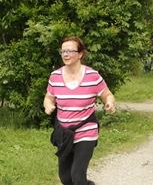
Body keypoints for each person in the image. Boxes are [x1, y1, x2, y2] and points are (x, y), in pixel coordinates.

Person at [43, 36, 116, 185]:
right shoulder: (55, 76)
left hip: (86, 131)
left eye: (70, 51)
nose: (66, 54)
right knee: (66, 179)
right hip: (64, 134)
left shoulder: (92, 76)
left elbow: (107, 94)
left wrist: (109, 103)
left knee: (77, 176)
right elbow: (49, 98)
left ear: (81, 54)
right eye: (63, 51)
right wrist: (48, 105)